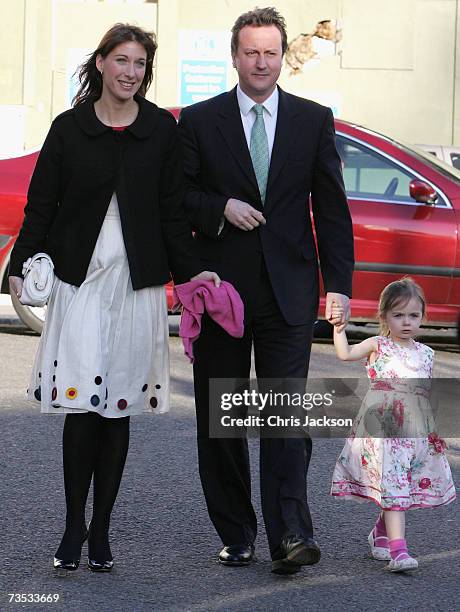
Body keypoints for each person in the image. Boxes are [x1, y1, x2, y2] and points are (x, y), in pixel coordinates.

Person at [9, 23, 218, 573]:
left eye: (140, 64)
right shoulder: (69, 129)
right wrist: (17, 265)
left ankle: (102, 531)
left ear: (146, 73)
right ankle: (73, 525)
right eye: (121, 60)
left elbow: (173, 214)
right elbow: (41, 204)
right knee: (81, 408)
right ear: (100, 63)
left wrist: (195, 274)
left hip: (137, 283)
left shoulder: (160, 131)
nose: (130, 72)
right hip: (80, 280)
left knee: (117, 408)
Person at [178, 7, 354, 575]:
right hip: (221, 291)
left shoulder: (312, 119)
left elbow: (331, 209)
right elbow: (177, 198)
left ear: (283, 57)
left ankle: (290, 535)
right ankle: (236, 533)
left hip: (289, 291)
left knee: (285, 416)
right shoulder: (201, 121)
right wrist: (219, 208)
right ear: (234, 57)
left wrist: (341, 287)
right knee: (223, 417)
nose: (260, 62)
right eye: (250, 52)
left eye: (270, 52)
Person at [330, 278, 456, 572]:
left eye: (413, 315)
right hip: (383, 432)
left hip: (415, 433)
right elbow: (345, 354)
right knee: (395, 485)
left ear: (423, 317)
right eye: (398, 315)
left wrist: (435, 429)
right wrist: (339, 330)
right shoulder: (379, 345)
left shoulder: (426, 353)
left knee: (402, 487)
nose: (407, 322)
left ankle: (381, 532)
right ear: (384, 316)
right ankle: (400, 552)